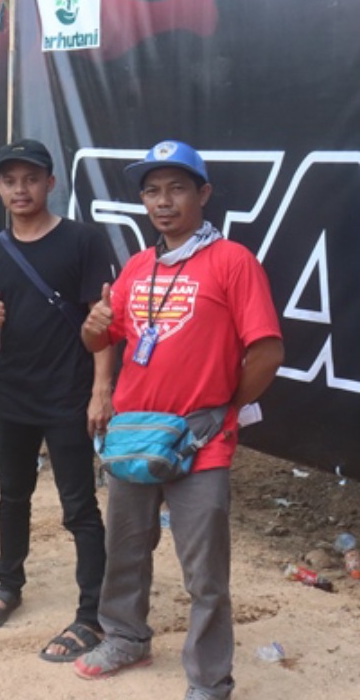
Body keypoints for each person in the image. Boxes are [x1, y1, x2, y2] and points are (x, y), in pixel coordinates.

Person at [74, 140, 283, 700]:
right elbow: (103, 338)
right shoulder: (139, 265)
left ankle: (209, 680)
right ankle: (126, 638)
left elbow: (267, 351)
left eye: (176, 189)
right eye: (152, 191)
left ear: (203, 193)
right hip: (135, 435)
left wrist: (225, 410)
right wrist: (94, 327)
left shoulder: (233, 261)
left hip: (201, 440)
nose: (163, 202)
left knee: (205, 573)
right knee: (126, 551)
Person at [0, 139, 114, 662]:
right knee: (12, 498)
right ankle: (9, 583)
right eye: (10, 181)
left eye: (30, 179)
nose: (20, 189)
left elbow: (102, 322)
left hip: (69, 395)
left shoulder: (83, 241)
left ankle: (92, 612)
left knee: (80, 507)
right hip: (13, 395)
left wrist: (101, 391)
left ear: (51, 183)